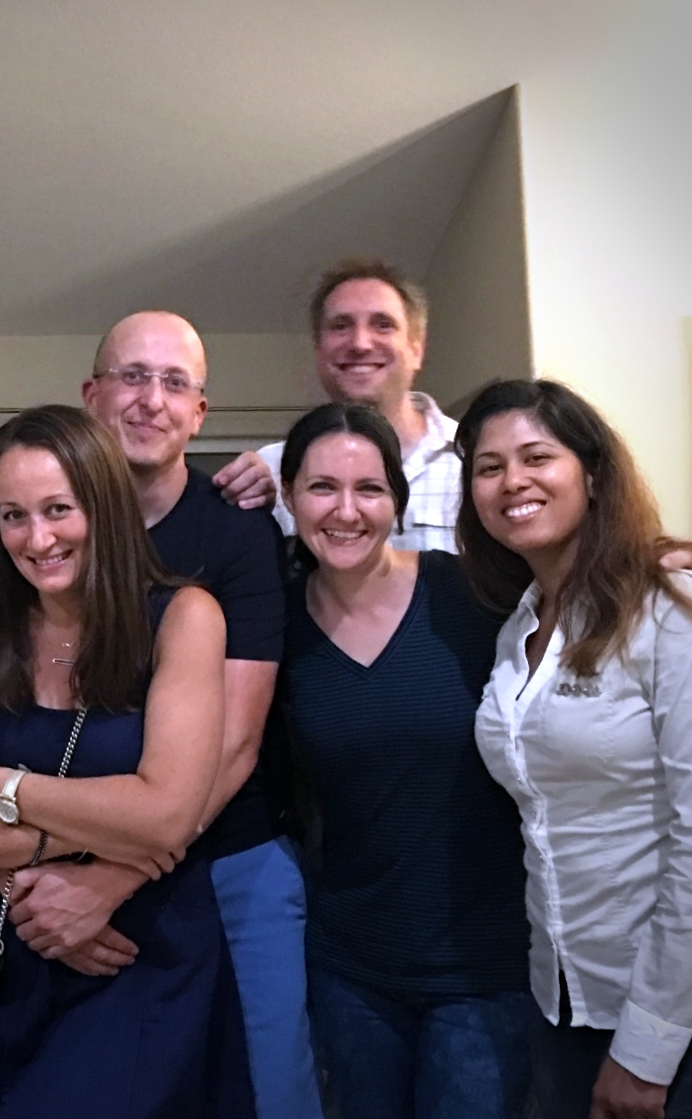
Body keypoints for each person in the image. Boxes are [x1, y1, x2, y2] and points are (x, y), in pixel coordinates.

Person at [0, 404, 254, 1118]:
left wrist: (1, 786)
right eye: (14, 516)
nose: (37, 538)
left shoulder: (184, 616)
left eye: (58, 509)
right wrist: (59, 861)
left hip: (136, 946)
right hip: (6, 942)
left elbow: (167, 814)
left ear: (104, 506)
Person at [65, 311, 314, 1118]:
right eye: (132, 377)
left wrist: (114, 878)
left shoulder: (237, 531)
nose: (151, 400)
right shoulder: (46, 524)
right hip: (70, 847)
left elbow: (235, 741)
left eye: (174, 383)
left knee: (268, 1091)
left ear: (199, 413)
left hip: (227, 852)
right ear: (92, 394)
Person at [275, 403, 534, 1119]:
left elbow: (583, 584)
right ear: (287, 495)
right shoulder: (274, 623)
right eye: (322, 487)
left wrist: (657, 559)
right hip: (348, 966)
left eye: (369, 488)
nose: (346, 511)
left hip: (486, 967)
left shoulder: (473, 593)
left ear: (398, 498)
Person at [461, 380, 692, 1119]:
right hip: (561, 998)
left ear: (591, 474)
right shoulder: (517, 627)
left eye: (536, 457)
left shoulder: (668, 612)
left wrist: (647, 1049)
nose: (512, 481)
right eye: (489, 467)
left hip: (666, 1013)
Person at [215, 259, 461, 551]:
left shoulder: (472, 463)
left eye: (383, 325)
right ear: (319, 350)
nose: (360, 343)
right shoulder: (269, 472)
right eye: (341, 326)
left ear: (416, 349)